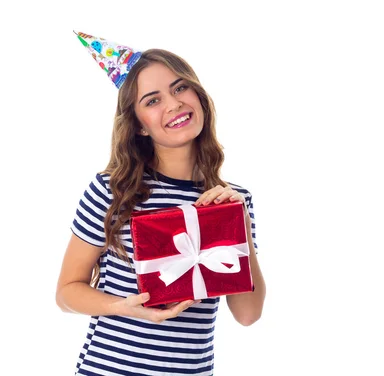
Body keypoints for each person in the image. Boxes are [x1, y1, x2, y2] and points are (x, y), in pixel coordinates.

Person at [56, 32, 266, 375]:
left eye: (180, 87)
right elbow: (66, 293)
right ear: (139, 125)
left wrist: (237, 224)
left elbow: (247, 314)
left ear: (197, 93)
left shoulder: (231, 200)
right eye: (152, 101)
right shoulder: (113, 190)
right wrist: (126, 307)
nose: (173, 104)